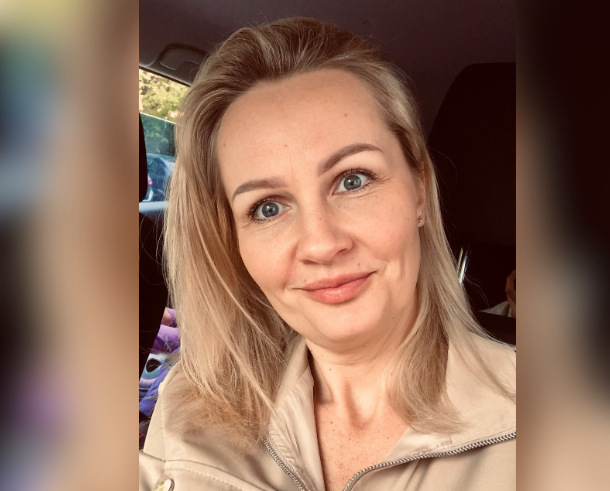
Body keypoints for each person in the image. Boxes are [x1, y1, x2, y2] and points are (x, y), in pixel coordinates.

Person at [140, 17, 515, 491]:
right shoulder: (187, 405)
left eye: (353, 180)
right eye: (267, 207)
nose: (320, 244)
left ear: (419, 190)